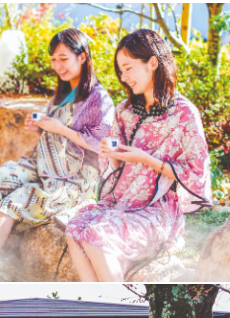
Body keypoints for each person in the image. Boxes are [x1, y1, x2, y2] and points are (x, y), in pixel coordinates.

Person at [0, 28, 114, 279]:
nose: (58, 66)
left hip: (75, 178)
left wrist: (60, 128)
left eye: (64, 59)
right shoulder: (62, 93)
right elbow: (54, 133)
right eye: (54, 60)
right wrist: (42, 126)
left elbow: (101, 144)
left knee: (13, 202)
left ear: (82, 57)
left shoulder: (100, 99)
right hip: (43, 163)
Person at [65, 29, 211, 282]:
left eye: (129, 68)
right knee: (75, 229)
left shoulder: (184, 114)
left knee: (96, 235)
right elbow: (114, 166)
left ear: (153, 63)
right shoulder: (124, 111)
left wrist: (146, 159)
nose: (124, 77)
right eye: (121, 70)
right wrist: (110, 154)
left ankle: (110, 302)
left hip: (156, 210)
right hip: (120, 202)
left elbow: (197, 173)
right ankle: (99, 301)